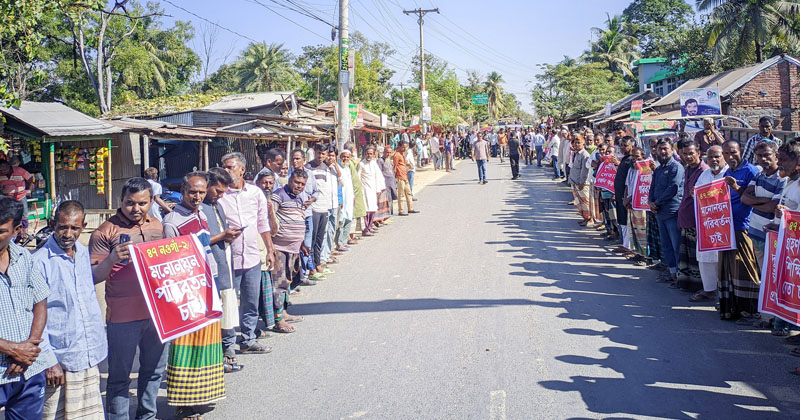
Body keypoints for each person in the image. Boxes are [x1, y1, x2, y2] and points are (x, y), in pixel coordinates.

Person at [90, 178, 167, 420]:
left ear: (151, 201)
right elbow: (92, 276)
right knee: (119, 376)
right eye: (129, 203)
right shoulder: (105, 231)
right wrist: (112, 258)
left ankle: (147, 415)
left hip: (157, 313)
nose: (136, 209)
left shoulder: (158, 225)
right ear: (120, 201)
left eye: (142, 203)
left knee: (154, 371)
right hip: (123, 316)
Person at [33, 200, 106, 420]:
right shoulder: (39, 262)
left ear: (83, 226)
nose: (68, 233)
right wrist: (48, 360)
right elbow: (34, 316)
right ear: (52, 224)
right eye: (63, 226)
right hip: (59, 359)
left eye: (74, 228)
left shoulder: (83, 253)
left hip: (88, 354)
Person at [161, 172, 226, 419]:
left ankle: (201, 394)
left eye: (201, 192)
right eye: (192, 192)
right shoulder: (172, 221)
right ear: (183, 190)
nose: (197, 197)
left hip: (208, 283)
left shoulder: (200, 214)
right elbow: (170, 261)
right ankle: (183, 403)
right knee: (185, 346)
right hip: (187, 291)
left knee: (206, 342)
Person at [0, 196, 57, 419]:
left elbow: (40, 303)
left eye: (1, 231)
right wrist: (12, 350)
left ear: (16, 230)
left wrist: (29, 349)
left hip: (28, 370)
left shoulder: (25, 258)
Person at [218, 152, 275, 354]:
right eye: (224, 167)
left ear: (241, 169)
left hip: (252, 255)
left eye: (229, 167)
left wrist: (270, 249)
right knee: (229, 301)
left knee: (251, 299)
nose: (226, 171)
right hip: (227, 257)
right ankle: (228, 342)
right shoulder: (219, 195)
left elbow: (262, 222)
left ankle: (248, 338)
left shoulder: (255, 193)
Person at [202, 168, 244, 373]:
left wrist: (228, 235)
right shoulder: (199, 209)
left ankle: (228, 352)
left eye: (222, 192)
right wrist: (222, 236)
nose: (220, 195)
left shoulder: (216, 205)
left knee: (228, 306)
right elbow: (196, 241)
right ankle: (220, 356)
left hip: (225, 263)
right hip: (209, 269)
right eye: (217, 191)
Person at [719, 140, 761, 323]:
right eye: (726, 154)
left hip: (743, 227)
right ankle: (733, 308)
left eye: (733, 152)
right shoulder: (728, 171)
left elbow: (754, 198)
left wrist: (736, 187)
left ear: (741, 151)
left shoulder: (751, 171)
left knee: (746, 270)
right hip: (728, 227)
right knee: (731, 271)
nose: (730, 157)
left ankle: (751, 311)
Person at [270, 170, 310, 334]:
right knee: (278, 284)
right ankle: (278, 320)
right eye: (296, 182)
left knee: (288, 282)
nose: (299, 186)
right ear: (290, 181)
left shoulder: (299, 198)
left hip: (294, 248)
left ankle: (284, 312)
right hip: (280, 248)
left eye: (302, 184)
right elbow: (269, 218)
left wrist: (301, 245)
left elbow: (299, 219)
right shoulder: (278, 196)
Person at [690, 145, 728, 302]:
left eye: (717, 156)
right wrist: (694, 193)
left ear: (723, 156)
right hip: (707, 223)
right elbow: (697, 193)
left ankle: (723, 291)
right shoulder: (705, 174)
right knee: (705, 257)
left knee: (723, 258)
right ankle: (709, 289)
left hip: (724, 223)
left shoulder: (728, 174)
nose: (714, 160)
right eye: (710, 157)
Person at [740, 141, 785, 268]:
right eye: (759, 156)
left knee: (773, 274)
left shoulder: (782, 178)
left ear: (776, 155)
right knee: (763, 273)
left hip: (771, 235)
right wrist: (766, 200)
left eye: (767, 155)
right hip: (756, 232)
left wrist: (755, 203)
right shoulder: (759, 175)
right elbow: (744, 198)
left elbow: (772, 207)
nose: (763, 159)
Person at [649, 139, 685, 285]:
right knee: (666, 245)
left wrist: (656, 202)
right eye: (660, 149)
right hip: (660, 212)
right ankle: (672, 273)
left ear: (672, 150)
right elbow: (652, 187)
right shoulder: (658, 169)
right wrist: (650, 202)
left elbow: (673, 188)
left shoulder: (676, 167)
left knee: (676, 245)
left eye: (665, 149)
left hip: (672, 212)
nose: (663, 152)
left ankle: (680, 275)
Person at [675, 139, 708, 291]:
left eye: (691, 153)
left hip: (697, 221)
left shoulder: (705, 171)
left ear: (699, 153)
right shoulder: (688, 169)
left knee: (697, 257)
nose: (688, 157)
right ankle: (686, 284)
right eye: (685, 154)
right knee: (687, 255)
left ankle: (700, 287)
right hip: (686, 218)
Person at [304, 144, 333, 275]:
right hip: (313, 208)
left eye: (323, 154)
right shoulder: (308, 168)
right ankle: (311, 267)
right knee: (313, 238)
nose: (320, 156)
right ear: (314, 153)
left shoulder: (326, 167)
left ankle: (317, 262)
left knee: (320, 238)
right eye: (319, 153)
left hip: (324, 207)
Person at [622, 147, 649, 264]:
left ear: (643, 156)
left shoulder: (646, 169)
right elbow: (627, 185)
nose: (634, 159)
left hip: (640, 205)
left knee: (643, 232)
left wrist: (629, 198)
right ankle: (638, 253)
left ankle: (646, 257)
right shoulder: (631, 169)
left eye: (637, 156)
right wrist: (625, 199)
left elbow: (642, 188)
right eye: (633, 156)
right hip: (630, 204)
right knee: (634, 231)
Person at [0, 159, 35, 238]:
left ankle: (24, 235)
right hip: (8, 198)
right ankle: (14, 235)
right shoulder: (0, 174)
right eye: (1, 170)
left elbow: (30, 178)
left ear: (9, 166)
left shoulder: (19, 170)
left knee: (24, 216)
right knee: (10, 216)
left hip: (20, 196)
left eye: (5, 169)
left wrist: (29, 189)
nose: (3, 171)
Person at [612, 137, 635, 254]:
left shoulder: (631, 161)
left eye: (625, 145)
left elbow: (630, 181)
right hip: (620, 194)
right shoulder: (625, 160)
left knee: (627, 220)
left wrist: (628, 197)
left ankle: (630, 246)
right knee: (622, 219)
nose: (622, 147)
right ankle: (625, 244)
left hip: (626, 196)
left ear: (632, 146)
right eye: (621, 145)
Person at [358, 146, 386, 236]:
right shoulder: (361, 164)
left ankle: (369, 227)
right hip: (365, 190)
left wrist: (379, 188)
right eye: (367, 153)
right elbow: (357, 178)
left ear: (374, 154)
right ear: (365, 154)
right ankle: (366, 229)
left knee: (373, 209)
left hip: (373, 190)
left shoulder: (374, 164)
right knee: (366, 210)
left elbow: (378, 176)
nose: (369, 155)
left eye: (371, 154)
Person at [569, 136, 592, 225]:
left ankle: (589, 219)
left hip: (581, 183)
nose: (576, 144)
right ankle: (585, 218)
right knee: (580, 202)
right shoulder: (577, 153)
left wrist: (582, 182)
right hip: (575, 182)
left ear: (584, 144)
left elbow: (584, 170)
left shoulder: (585, 155)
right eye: (575, 143)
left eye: (579, 143)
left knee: (585, 202)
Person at [394, 141, 418, 216]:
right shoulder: (397, 155)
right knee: (401, 194)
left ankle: (410, 208)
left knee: (408, 193)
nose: (404, 149)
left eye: (405, 147)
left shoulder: (403, 154)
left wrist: (408, 164)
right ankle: (401, 210)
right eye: (403, 147)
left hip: (405, 175)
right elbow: (395, 166)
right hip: (400, 176)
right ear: (399, 146)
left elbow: (403, 163)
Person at [377, 146, 398, 216]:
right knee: (386, 198)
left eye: (390, 153)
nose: (388, 154)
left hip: (391, 182)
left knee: (391, 197)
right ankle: (386, 213)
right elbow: (379, 173)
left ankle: (391, 212)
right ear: (384, 153)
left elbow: (392, 172)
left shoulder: (390, 161)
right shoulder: (380, 161)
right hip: (384, 183)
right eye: (387, 152)